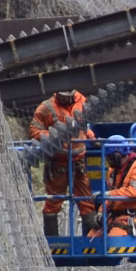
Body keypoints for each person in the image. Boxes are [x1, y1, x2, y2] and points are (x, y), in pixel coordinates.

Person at [29, 90, 90, 239]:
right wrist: (51, 137)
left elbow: (84, 125)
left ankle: (91, 240)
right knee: (54, 200)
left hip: (79, 159)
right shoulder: (46, 107)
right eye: (62, 95)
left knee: (86, 200)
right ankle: (52, 241)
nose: (65, 98)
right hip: (58, 160)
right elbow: (34, 129)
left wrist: (91, 137)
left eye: (68, 95)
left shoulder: (82, 100)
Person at [82, 136, 136, 237]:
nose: (107, 160)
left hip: (133, 219)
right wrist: (101, 211)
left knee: (114, 238)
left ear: (117, 156)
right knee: (91, 238)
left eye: (109, 157)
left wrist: (109, 194)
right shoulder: (114, 171)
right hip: (115, 218)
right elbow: (111, 197)